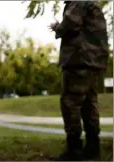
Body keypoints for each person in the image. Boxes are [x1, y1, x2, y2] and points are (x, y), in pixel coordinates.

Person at [49, 1, 109, 161]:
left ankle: (74, 149)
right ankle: (92, 147)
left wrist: (57, 27)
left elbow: (70, 24)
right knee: (89, 103)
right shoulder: (91, 2)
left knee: (70, 102)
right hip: (94, 61)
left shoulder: (78, 1)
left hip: (80, 59)